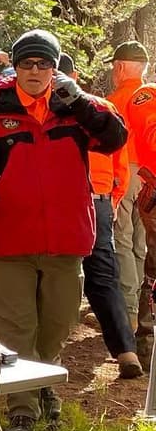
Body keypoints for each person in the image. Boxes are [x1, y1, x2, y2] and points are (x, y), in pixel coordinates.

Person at [0, 29, 126, 431]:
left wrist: (79, 102)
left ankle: (42, 381)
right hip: (6, 241)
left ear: (54, 67)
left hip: (66, 241)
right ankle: (23, 411)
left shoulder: (75, 108)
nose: (34, 70)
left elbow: (114, 139)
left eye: (43, 63)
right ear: (15, 68)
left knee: (58, 324)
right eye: (26, 63)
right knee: (16, 327)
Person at [58, 53, 141, 379]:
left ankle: (53, 349)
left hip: (68, 200)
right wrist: (113, 199)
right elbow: (121, 162)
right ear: (76, 76)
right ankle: (126, 352)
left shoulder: (52, 112)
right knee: (104, 276)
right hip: (100, 198)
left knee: (59, 272)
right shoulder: (102, 108)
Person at [109, 41, 154, 363]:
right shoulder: (151, 94)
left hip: (126, 173)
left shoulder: (117, 100)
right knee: (141, 245)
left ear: (121, 66)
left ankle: (127, 312)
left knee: (123, 241)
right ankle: (140, 309)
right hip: (150, 177)